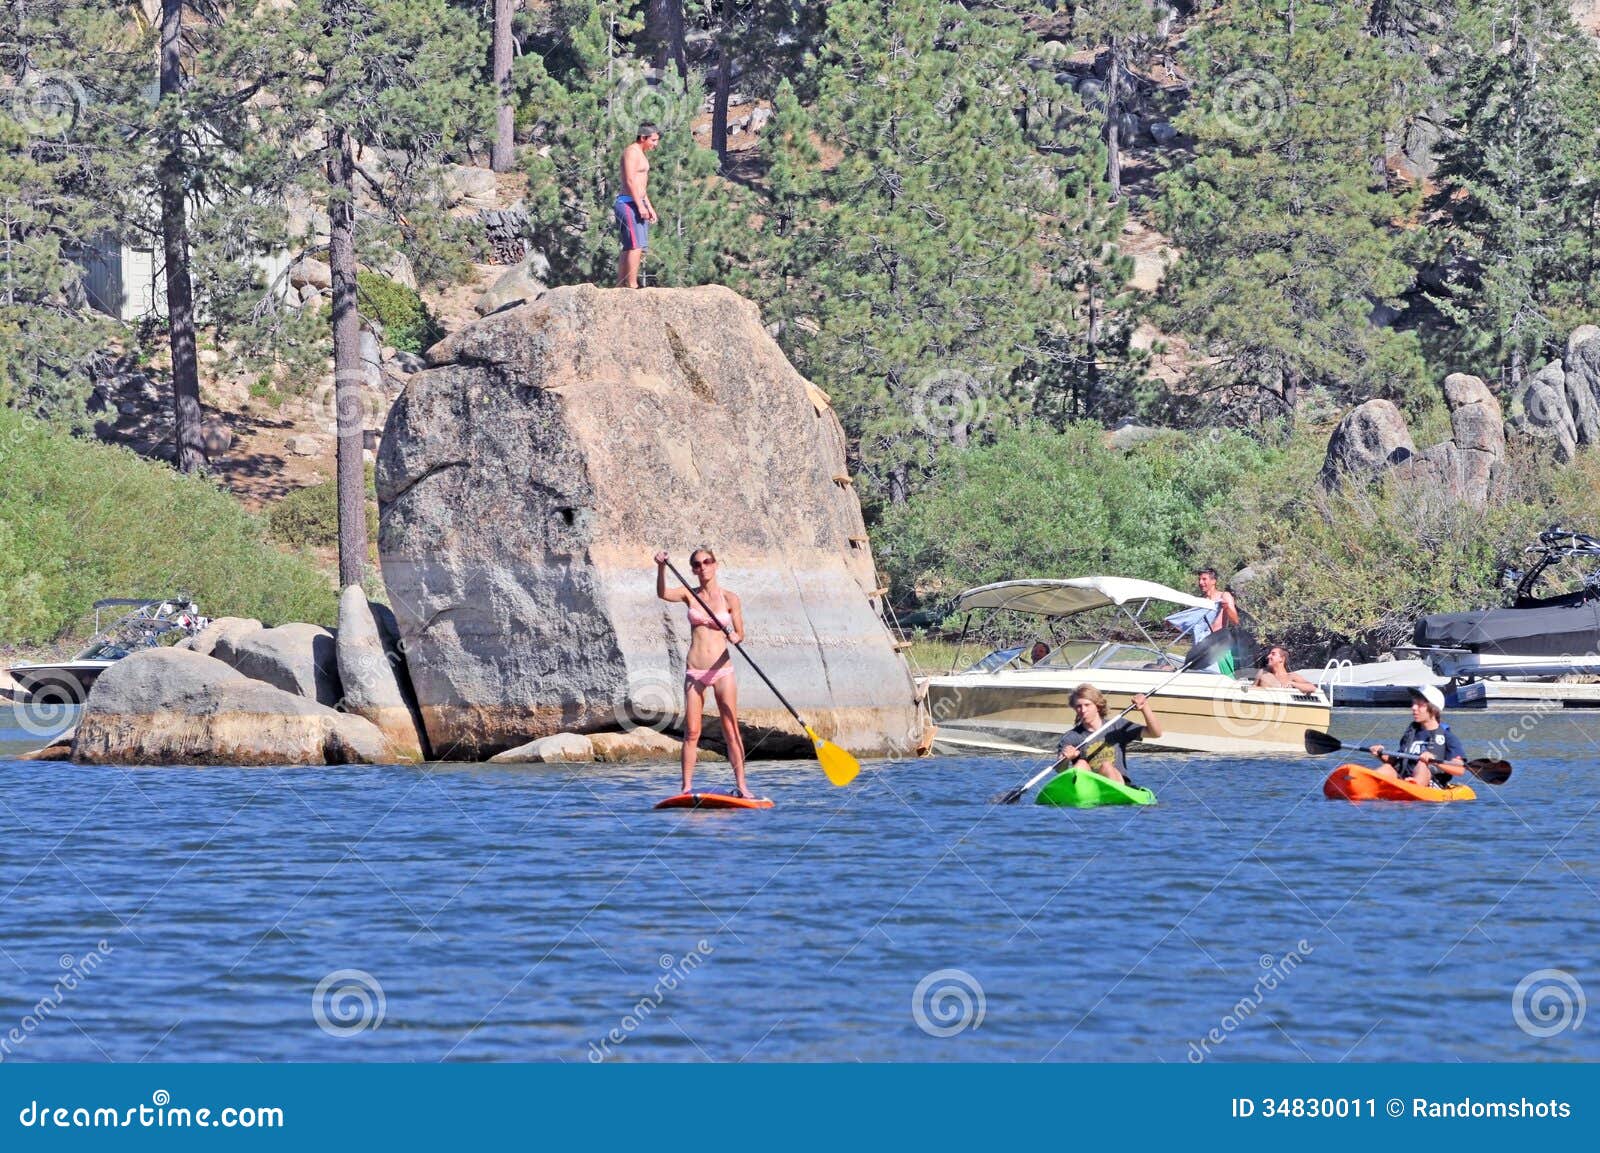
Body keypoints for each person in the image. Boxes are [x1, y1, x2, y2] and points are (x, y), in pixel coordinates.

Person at [653, 547, 752, 797]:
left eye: (707, 562)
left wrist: (735, 636)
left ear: (715, 564)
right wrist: (662, 566)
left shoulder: (731, 599)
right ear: (693, 570)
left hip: (722, 670)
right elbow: (663, 593)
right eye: (697, 564)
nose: (703, 567)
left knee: (731, 729)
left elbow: (740, 634)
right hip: (694, 670)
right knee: (692, 732)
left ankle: (742, 786)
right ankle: (686, 788)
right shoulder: (689, 594)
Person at [1055, 683, 1162, 788]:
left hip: (1117, 783)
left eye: (1087, 705)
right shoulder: (1071, 737)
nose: (1083, 710)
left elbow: (1155, 733)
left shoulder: (1117, 726)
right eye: (1078, 706)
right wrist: (1066, 759)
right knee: (1081, 764)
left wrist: (1145, 708)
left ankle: (1115, 792)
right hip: (1090, 788)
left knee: (1106, 766)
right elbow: (1060, 769)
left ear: (1097, 706)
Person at [1367, 685, 1466, 788]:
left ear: (1434, 709)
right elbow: (1398, 762)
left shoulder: (1448, 737)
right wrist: (1381, 754)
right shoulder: (1411, 733)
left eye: (1420, 705)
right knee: (1387, 768)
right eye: (1414, 704)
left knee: (1422, 764)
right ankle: (1368, 783)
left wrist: (1435, 761)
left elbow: (1460, 769)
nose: (1413, 708)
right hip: (1404, 779)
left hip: (1430, 784)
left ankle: (1414, 784)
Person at [616, 124, 661, 289]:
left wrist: (649, 207)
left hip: (637, 202)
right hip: (628, 203)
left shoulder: (641, 154)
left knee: (633, 246)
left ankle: (621, 284)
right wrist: (639, 206)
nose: (655, 144)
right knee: (635, 246)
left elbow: (641, 186)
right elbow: (629, 181)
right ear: (643, 138)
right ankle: (631, 284)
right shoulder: (631, 152)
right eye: (653, 140)